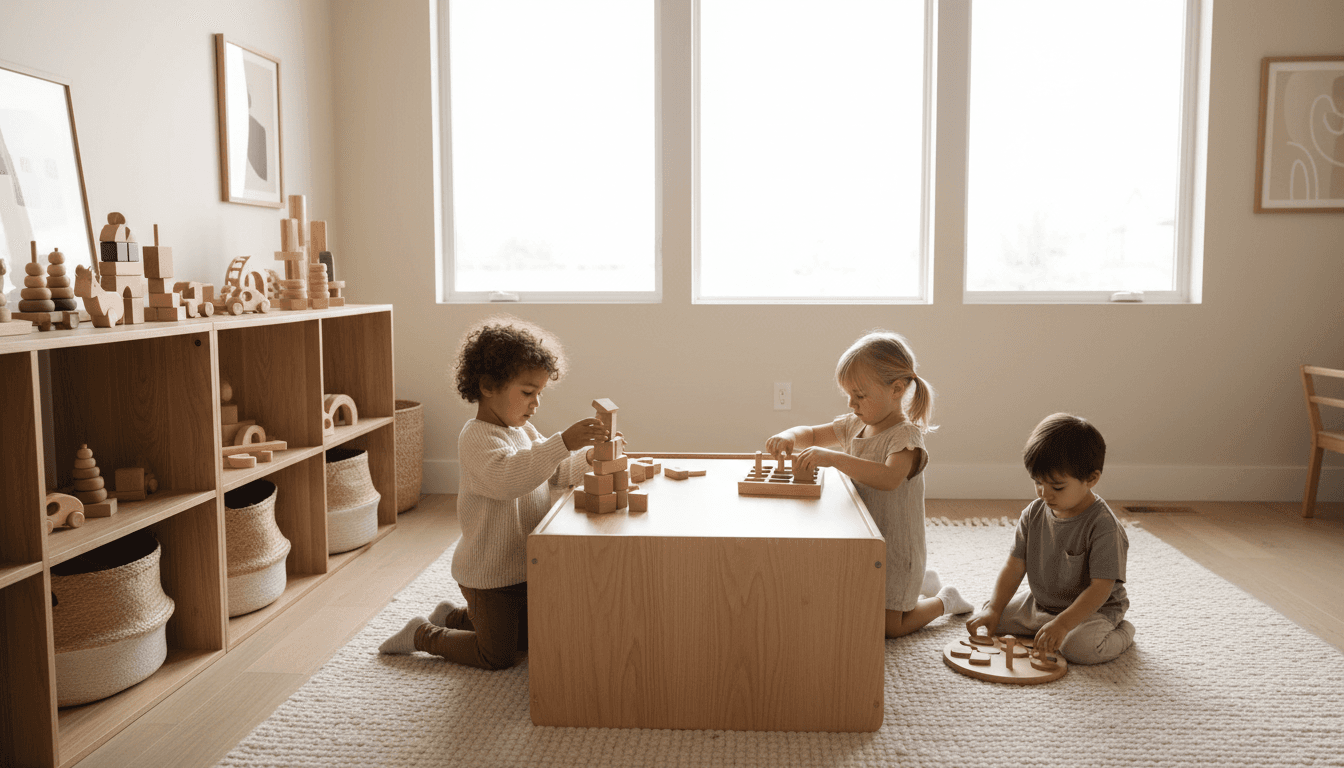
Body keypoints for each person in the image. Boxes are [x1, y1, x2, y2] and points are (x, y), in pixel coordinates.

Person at [379, 315, 609, 668]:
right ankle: (423, 634)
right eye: (528, 393)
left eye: (539, 394)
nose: (536, 404)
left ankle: (455, 617)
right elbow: (508, 479)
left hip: (525, 567)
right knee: (497, 655)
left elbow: (557, 472)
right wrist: (561, 442)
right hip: (490, 576)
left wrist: (590, 456)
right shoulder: (475, 438)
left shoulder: (526, 432)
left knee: (534, 636)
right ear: (488, 387)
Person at [765, 330, 972, 638]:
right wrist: (790, 436)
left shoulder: (906, 437)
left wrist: (834, 459)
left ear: (896, 390)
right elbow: (810, 433)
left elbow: (888, 479)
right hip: (866, 542)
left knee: (890, 627)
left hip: (897, 550)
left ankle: (945, 599)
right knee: (853, 603)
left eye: (860, 395)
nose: (852, 404)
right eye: (848, 395)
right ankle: (923, 584)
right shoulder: (856, 424)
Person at [966, 413, 1135, 664]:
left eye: (1057, 487)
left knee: (1079, 649)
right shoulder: (1033, 513)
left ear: (1091, 479)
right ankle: (1047, 625)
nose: (1044, 494)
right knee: (992, 615)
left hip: (1093, 610)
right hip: (1043, 603)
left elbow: (1101, 588)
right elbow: (1014, 566)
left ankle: (1123, 632)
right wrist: (994, 608)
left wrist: (1064, 624)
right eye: (1037, 482)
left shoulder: (1104, 526)